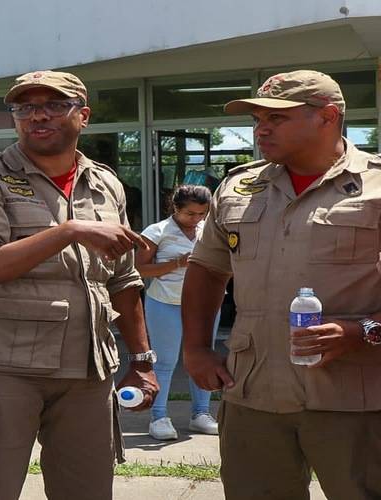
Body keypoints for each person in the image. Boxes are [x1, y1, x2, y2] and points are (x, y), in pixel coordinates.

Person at [0, 70, 158, 500]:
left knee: (88, 491)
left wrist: (141, 357)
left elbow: (123, 277)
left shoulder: (104, 182)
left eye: (54, 106)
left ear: (83, 115)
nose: (37, 116)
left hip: (87, 369)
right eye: (25, 108)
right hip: (3, 369)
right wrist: (67, 232)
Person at [182, 70, 381, 499]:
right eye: (257, 117)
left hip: (356, 398)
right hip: (254, 394)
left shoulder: (377, 185)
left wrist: (361, 331)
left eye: (278, 117)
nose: (261, 128)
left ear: (327, 117)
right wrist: (196, 348)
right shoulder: (239, 187)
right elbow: (207, 269)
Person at [136, 185, 220, 440]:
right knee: (165, 362)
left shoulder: (209, 230)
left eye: (201, 214)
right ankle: (159, 417)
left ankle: (201, 414)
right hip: (165, 303)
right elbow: (140, 269)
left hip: (205, 305)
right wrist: (177, 263)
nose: (196, 220)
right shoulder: (157, 231)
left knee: (204, 358)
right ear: (175, 208)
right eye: (190, 214)